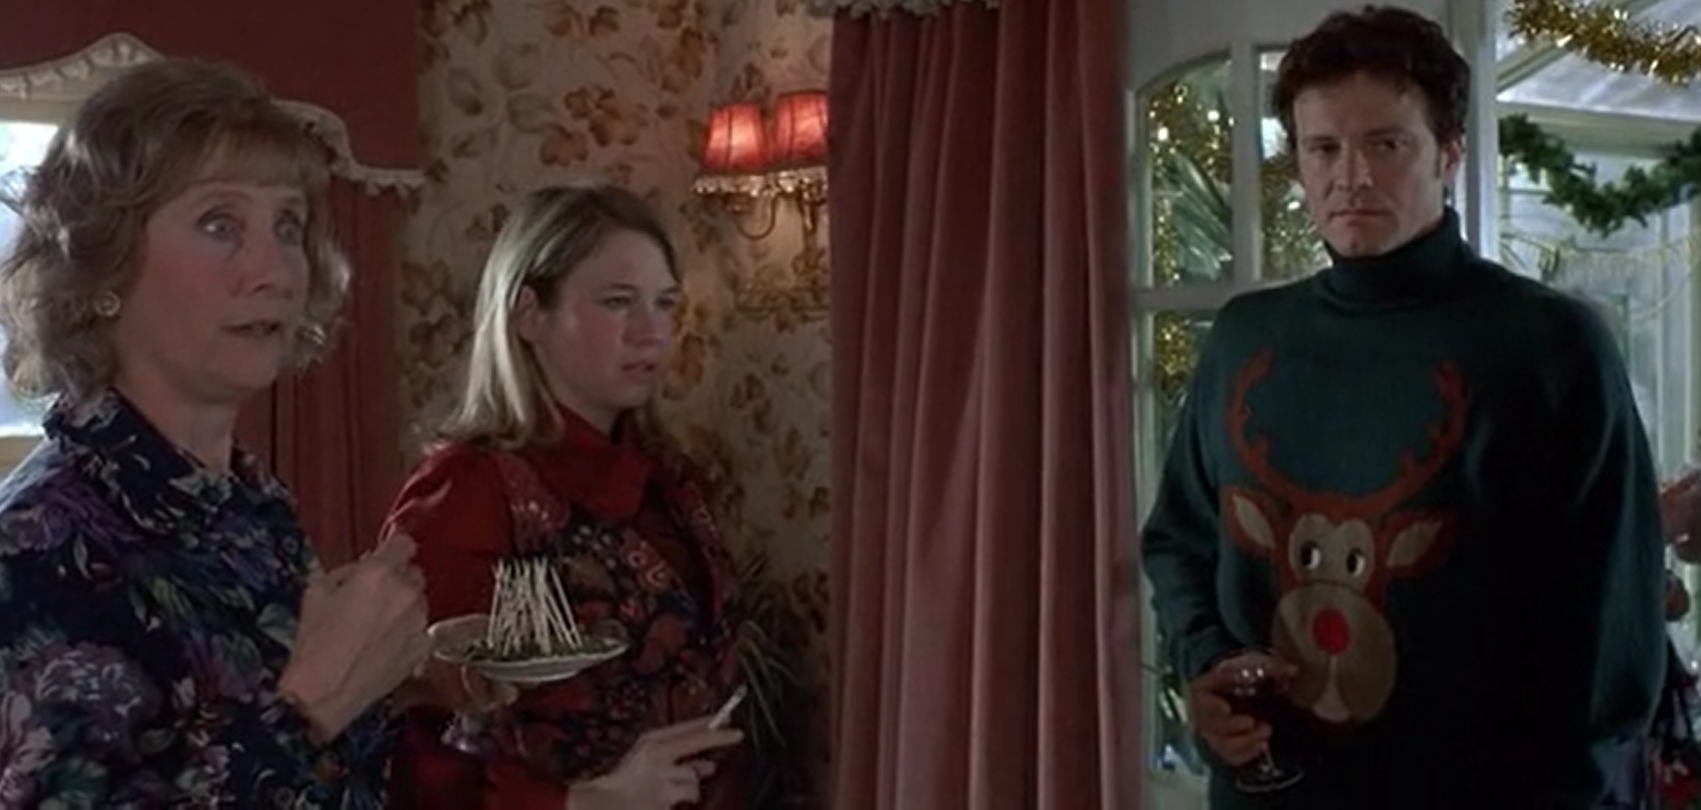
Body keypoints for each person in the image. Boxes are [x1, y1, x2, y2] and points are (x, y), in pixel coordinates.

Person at [1139, 6, 1666, 807]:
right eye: (1322, 148)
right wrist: (1206, 661)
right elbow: (1179, 540)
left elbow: (1609, 638)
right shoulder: (1245, 338)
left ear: (1447, 153)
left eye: (1385, 145)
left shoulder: (1547, 346)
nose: (1349, 176)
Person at [0, 59, 432, 806]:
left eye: (288, 226)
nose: (276, 272)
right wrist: (313, 704)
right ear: (103, 262)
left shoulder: (250, 504)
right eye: (219, 224)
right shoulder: (32, 552)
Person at [387, 182, 748, 809]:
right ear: (529, 314)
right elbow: (409, 732)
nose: (651, 332)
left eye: (664, 303)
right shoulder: (469, 489)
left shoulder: (672, 478)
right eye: (617, 302)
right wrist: (577, 801)